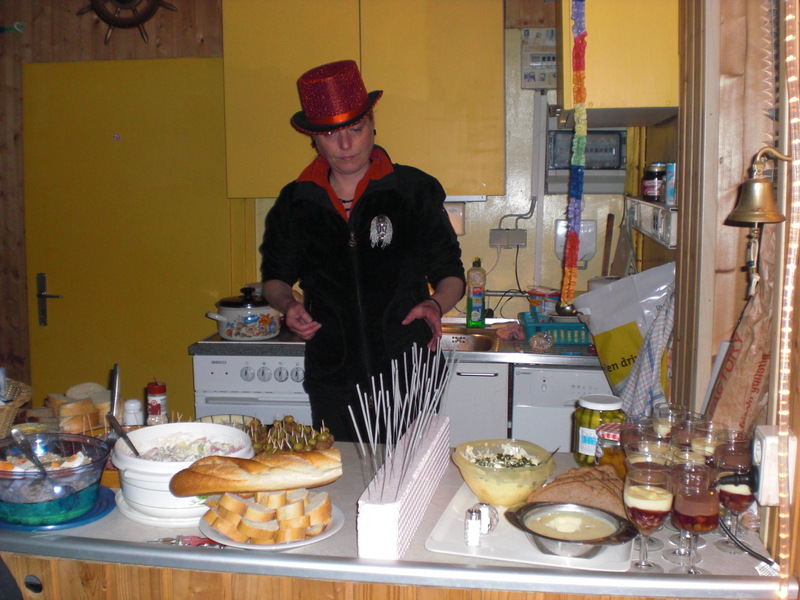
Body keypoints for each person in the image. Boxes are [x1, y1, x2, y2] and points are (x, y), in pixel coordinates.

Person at [260, 60, 465, 442]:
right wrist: (288, 305)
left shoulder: (413, 191)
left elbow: (450, 273)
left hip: (409, 374)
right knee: (342, 472)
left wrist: (435, 304)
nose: (345, 145)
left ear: (372, 125)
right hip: (333, 378)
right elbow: (275, 278)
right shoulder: (296, 202)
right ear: (314, 139)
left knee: (409, 472)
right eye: (331, 134)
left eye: (355, 129)